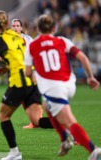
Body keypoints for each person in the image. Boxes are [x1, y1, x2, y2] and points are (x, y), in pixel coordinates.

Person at [25, 14, 101, 159]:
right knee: (47, 107)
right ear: (54, 28)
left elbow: (28, 72)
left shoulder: (32, 46)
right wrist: (90, 77)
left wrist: (35, 75)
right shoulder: (63, 41)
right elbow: (83, 58)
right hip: (70, 85)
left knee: (69, 121)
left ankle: (93, 150)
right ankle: (65, 140)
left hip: (54, 89)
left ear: (38, 29)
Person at [0, 10, 38, 160]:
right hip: (31, 80)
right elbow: (19, 58)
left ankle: (14, 153)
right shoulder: (19, 37)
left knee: (3, 116)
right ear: (8, 24)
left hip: (18, 82)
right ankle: (71, 131)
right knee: (37, 121)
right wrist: (6, 66)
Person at [0, 18, 53, 129]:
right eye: (13, 25)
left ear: (21, 28)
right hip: (17, 72)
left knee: (31, 95)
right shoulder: (9, 39)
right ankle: (36, 120)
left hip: (29, 71)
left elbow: (33, 54)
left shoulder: (27, 39)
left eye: (17, 25)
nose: (15, 27)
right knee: (25, 97)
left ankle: (39, 118)